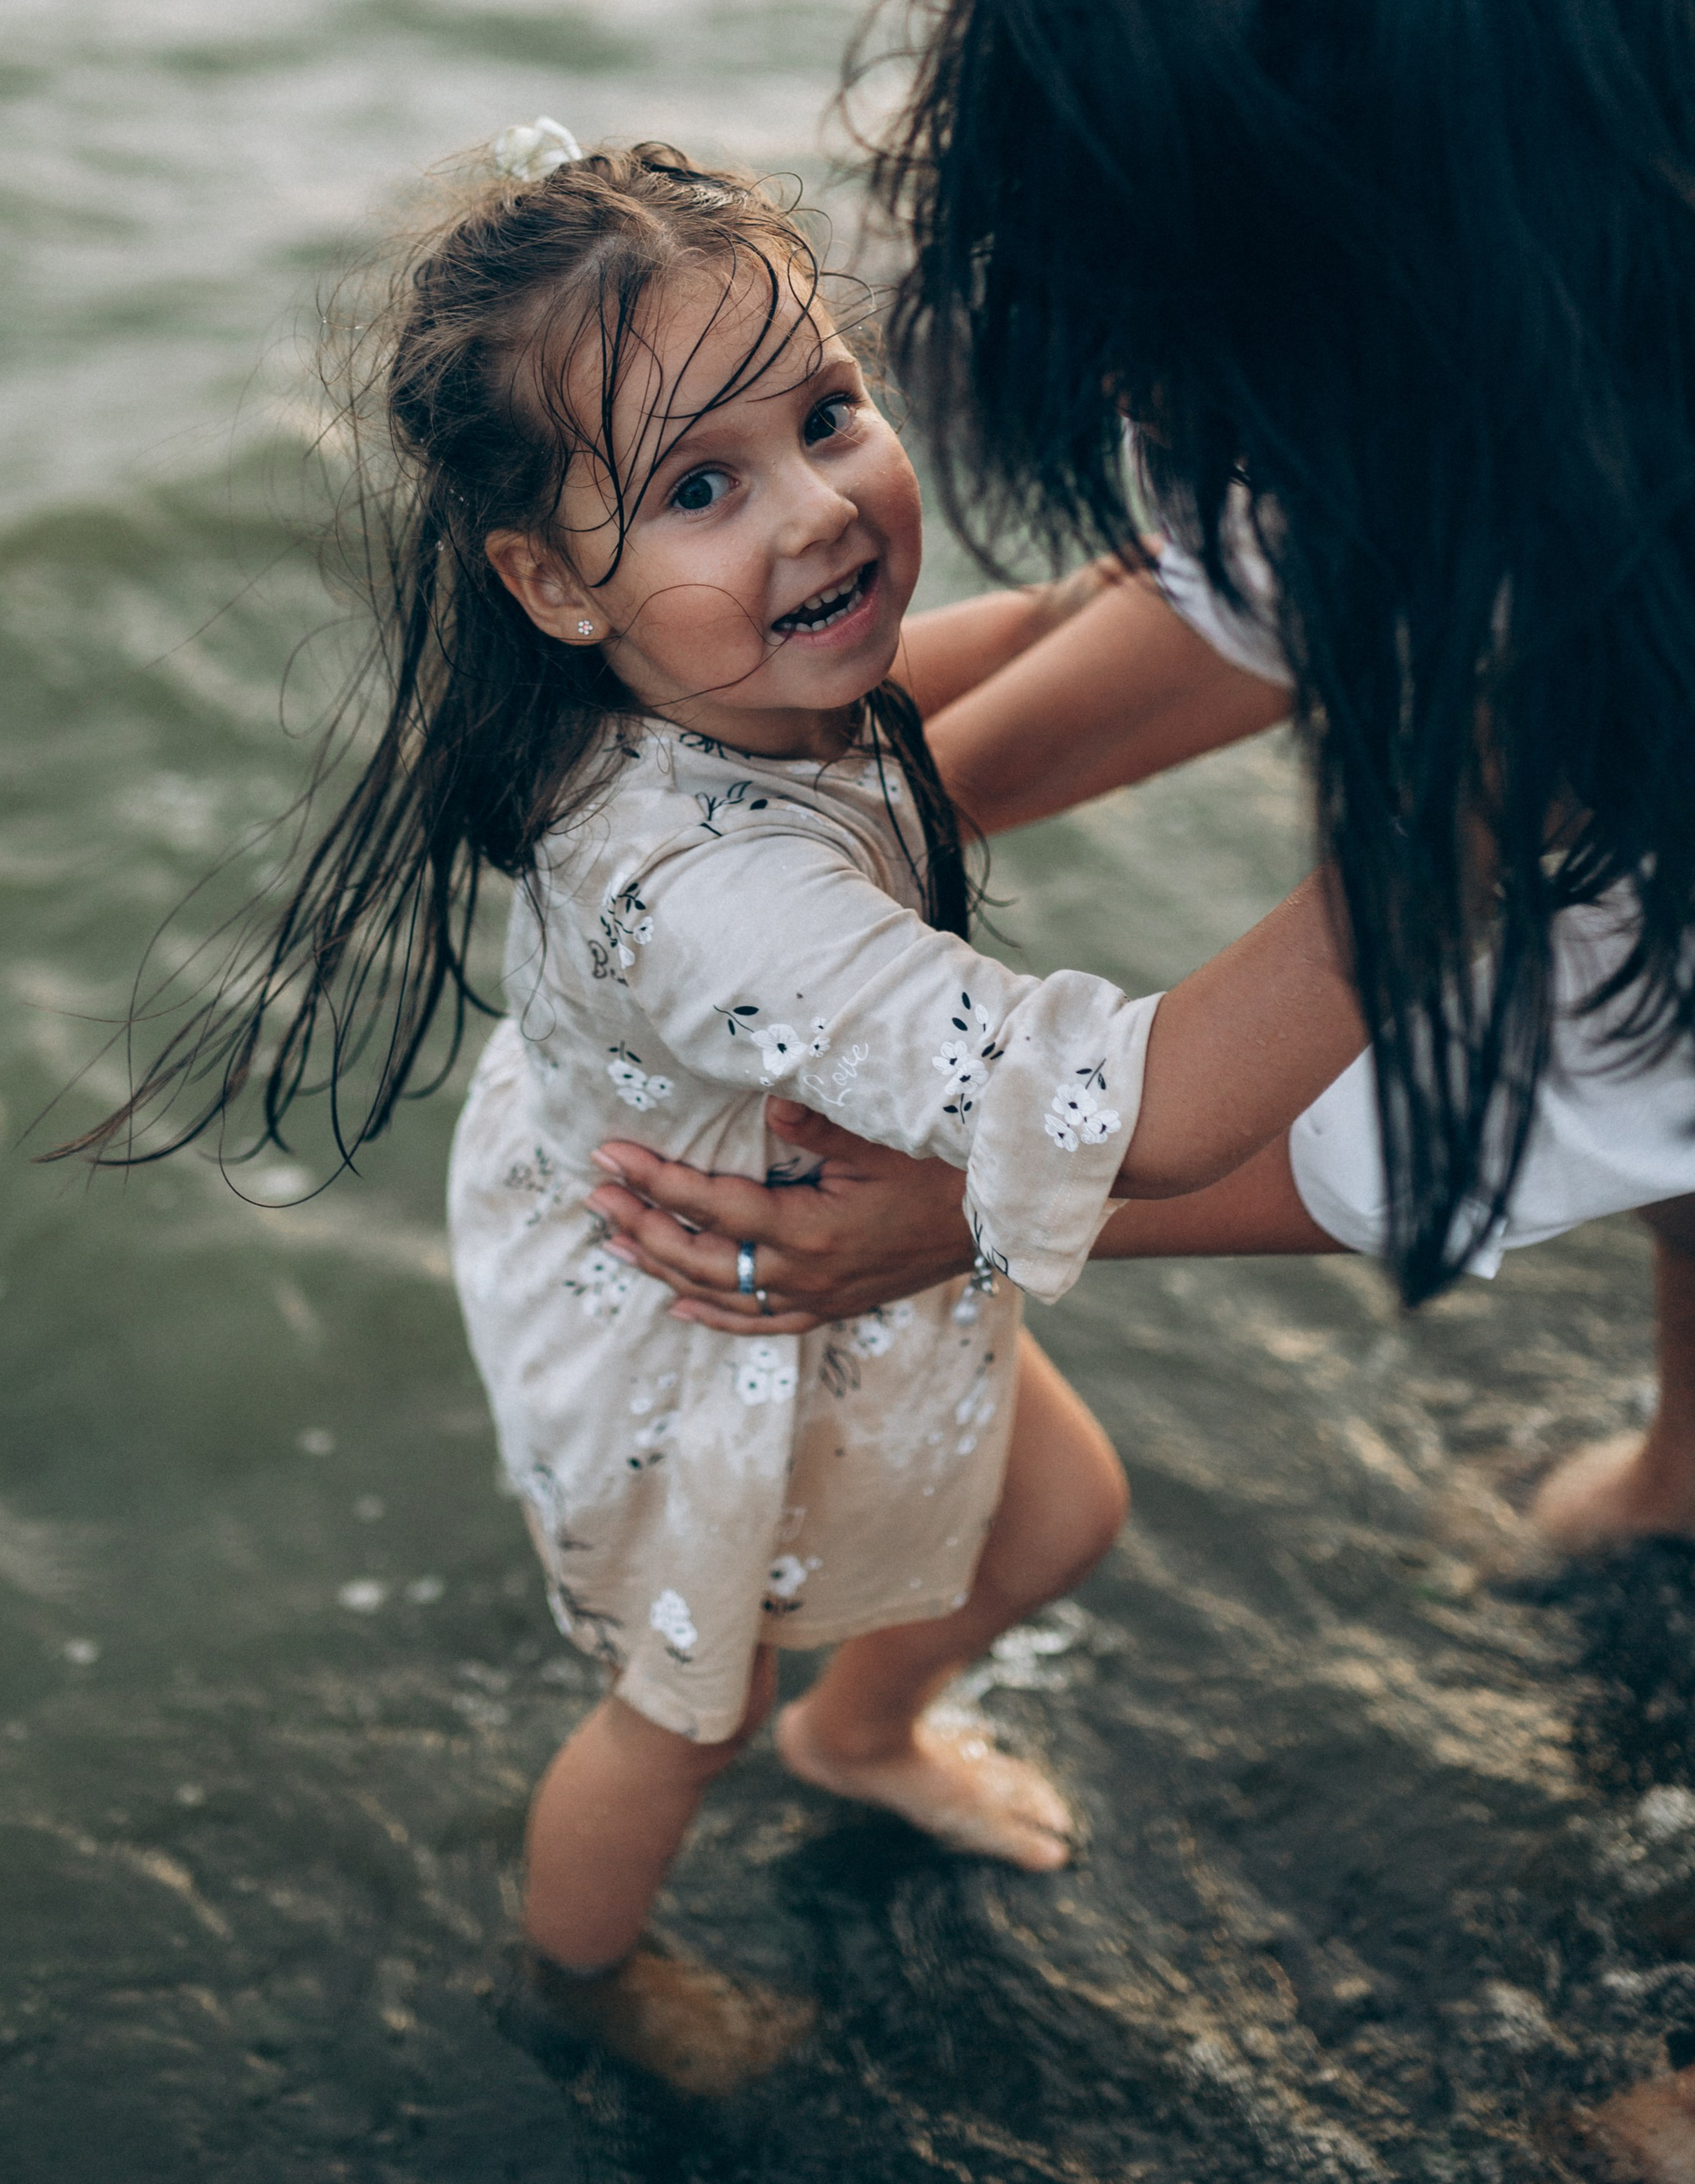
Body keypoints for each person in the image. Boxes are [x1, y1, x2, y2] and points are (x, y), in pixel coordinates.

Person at [88, 131, 1366, 2092]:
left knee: (1058, 1519)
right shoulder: (705, 896)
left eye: (826, 415)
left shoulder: (742, 681)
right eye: (701, 484)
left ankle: (862, 1735)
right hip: (697, 1310)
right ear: (544, 583)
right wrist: (1441, 847)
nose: (818, 507)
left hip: (820, 1208)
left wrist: (1168, 581)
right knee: (682, 1712)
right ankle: (579, 1977)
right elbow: (1142, 1113)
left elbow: (961, 677)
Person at [586, 0, 1695, 1566]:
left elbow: (1575, 1082)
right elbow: (1275, 573)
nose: (1134, 397)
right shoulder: (1554, 53)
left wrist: (967, 1208)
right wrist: (770, 802)